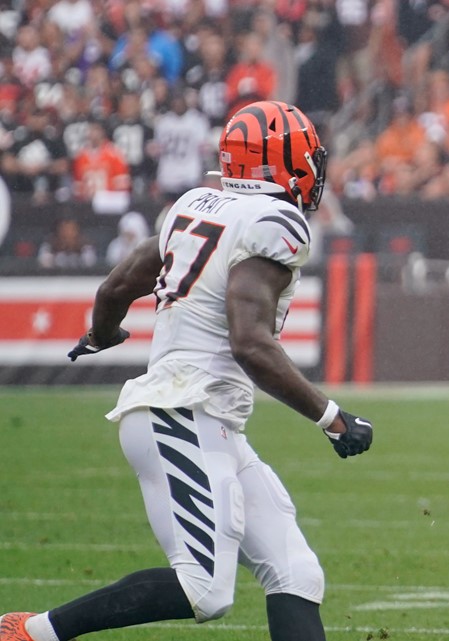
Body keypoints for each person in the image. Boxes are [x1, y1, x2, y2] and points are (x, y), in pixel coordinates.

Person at [0, 101, 374, 641]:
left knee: (296, 572)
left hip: (202, 416)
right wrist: (333, 418)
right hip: (183, 414)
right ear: (284, 162)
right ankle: (32, 633)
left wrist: (102, 333)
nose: (316, 167)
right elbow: (250, 343)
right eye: (309, 155)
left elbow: (115, 287)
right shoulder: (276, 223)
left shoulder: (198, 205)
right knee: (206, 589)